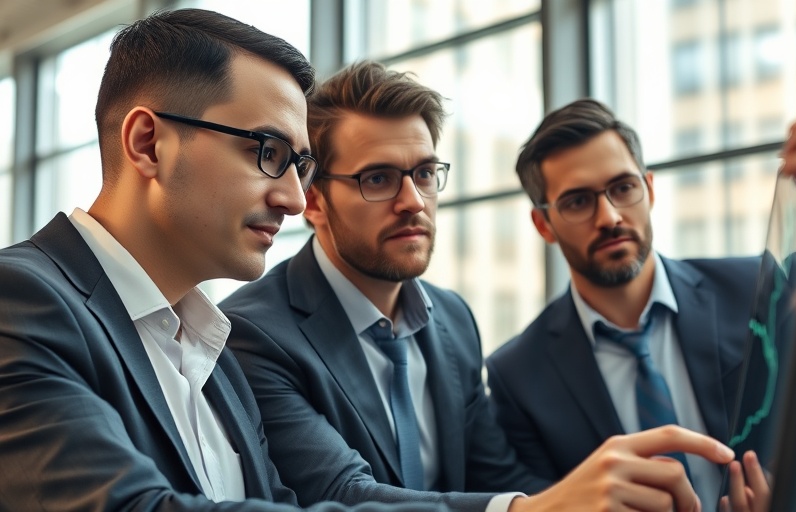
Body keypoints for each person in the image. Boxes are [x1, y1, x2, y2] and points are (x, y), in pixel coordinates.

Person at [221, 61, 737, 512]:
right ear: (313, 202)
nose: (413, 202)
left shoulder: (452, 320)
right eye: (377, 179)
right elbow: (342, 495)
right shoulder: (254, 333)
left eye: (424, 174)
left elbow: (496, 477)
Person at [0, 8, 459, 511]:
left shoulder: (216, 359)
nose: (296, 200)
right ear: (148, 144)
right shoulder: (17, 300)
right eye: (267, 152)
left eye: (299, 167)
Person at [484, 98, 768, 510]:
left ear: (649, 189)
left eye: (623, 188)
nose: (610, 217)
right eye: (578, 201)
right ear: (543, 224)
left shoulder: (754, 291)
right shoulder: (517, 376)